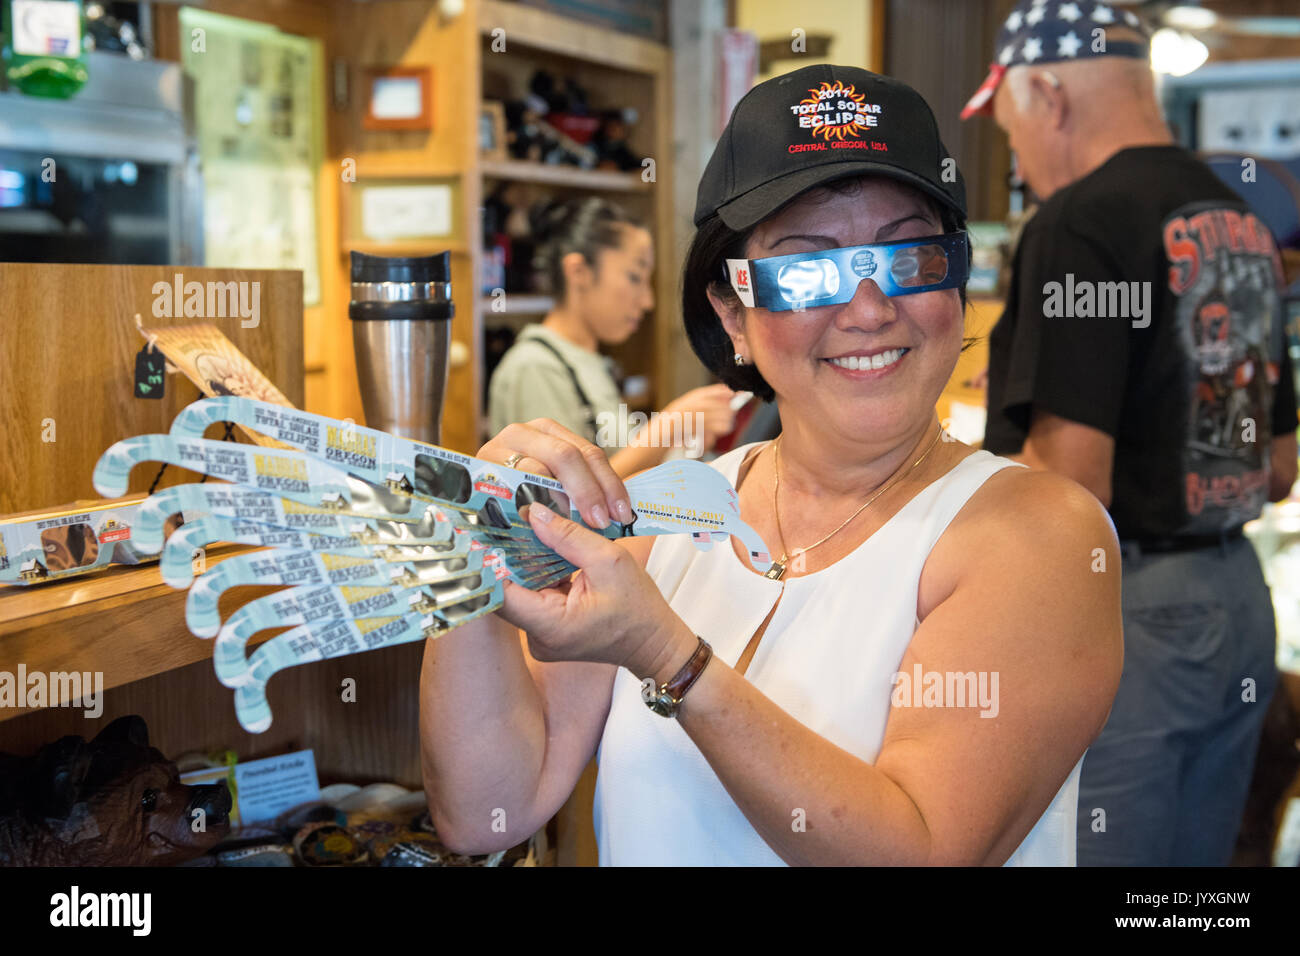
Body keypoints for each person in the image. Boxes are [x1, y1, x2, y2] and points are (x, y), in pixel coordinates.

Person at [421, 64, 1122, 866]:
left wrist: (669, 659)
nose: (867, 309)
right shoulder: (669, 511)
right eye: (807, 269)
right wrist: (474, 542)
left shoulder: (1038, 536)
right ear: (735, 315)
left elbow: (926, 850)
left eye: (910, 257)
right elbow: (488, 812)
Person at [962, 0, 1298, 865]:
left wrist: (957, 479)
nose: (1022, 160)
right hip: (1236, 602)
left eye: (1012, 125)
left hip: (1131, 612)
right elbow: (1281, 467)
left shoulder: (1079, 223)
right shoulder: (1243, 220)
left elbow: (1074, 482)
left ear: (1048, 93)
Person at [488, 197, 739, 478]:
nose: (647, 301)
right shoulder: (534, 367)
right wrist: (669, 427)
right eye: (634, 277)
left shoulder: (591, 363)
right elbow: (565, 497)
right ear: (579, 272)